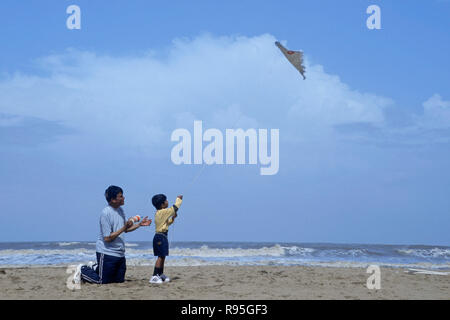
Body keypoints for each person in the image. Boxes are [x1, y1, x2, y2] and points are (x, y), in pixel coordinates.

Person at [74, 185, 151, 284]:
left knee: (118, 281)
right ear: (113, 200)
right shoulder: (105, 213)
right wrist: (124, 227)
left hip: (119, 253)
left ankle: (96, 267)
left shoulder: (120, 210)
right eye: (121, 196)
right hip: (106, 252)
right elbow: (107, 238)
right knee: (103, 281)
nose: (124, 198)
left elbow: (126, 230)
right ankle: (82, 269)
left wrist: (139, 224)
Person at [149, 194, 183, 284]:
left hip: (162, 236)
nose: (167, 201)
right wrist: (178, 199)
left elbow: (165, 224)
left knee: (163, 256)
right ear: (162, 204)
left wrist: (172, 219)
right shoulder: (162, 212)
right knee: (160, 256)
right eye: (166, 200)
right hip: (160, 237)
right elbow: (174, 208)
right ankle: (154, 275)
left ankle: (160, 274)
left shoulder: (161, 213)